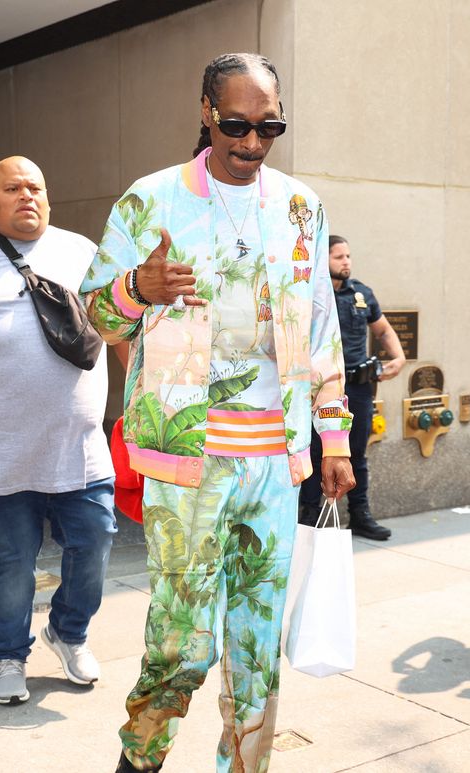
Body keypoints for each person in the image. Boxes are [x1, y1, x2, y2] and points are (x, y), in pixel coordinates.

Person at [81, 52, 355, 773]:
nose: (252, 143)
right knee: (182, 639)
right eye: (236, 124)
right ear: (206, 109)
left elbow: (322, 326)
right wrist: (137, 288)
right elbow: (95, 316)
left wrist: (335, 438)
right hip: (187, 461)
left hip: (274, 460)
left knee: (256, 644)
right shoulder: (153, 199)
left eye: (270, 126)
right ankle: (140, 759)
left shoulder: (301, 207)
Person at [0, 156, 117, 705]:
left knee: (96, 541)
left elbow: (120, 324)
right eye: (11, 188)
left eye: (35, 187)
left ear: (48, 196)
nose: (25, 196)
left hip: (78, 444)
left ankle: (68, 631)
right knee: (12, 559)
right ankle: (10, 655)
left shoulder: (83, 251)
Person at [299, 235, 406, 540]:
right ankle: (308, 519)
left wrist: (398, 358)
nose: (346, 261)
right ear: (324, 260)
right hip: (321, 388)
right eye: (338, 257)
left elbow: (382, 329)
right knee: (316, 454)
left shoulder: (361, 293)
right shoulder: (311, 294)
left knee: (356, 453)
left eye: (348, 256)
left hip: (357, 388)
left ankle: (359, 515)